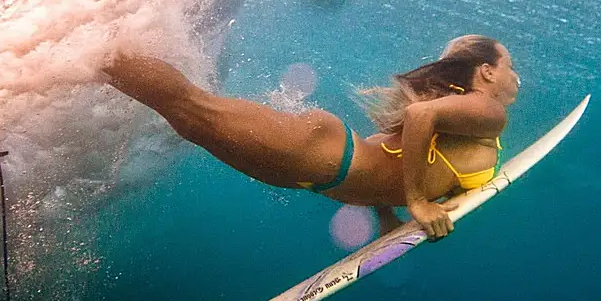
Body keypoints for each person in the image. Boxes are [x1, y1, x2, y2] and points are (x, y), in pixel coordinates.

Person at [102, 35, 520, 240]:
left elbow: (398, 154)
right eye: (510, 66)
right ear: (486, 71)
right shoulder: (490, 112)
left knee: (188, 119)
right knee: (192, 107)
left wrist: (388, 212)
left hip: (320, 170)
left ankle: (93, 58)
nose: (516, 77)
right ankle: (102, 49)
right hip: (323, 156)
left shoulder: (467, 117)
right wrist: (416, 202)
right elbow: (419, 113)